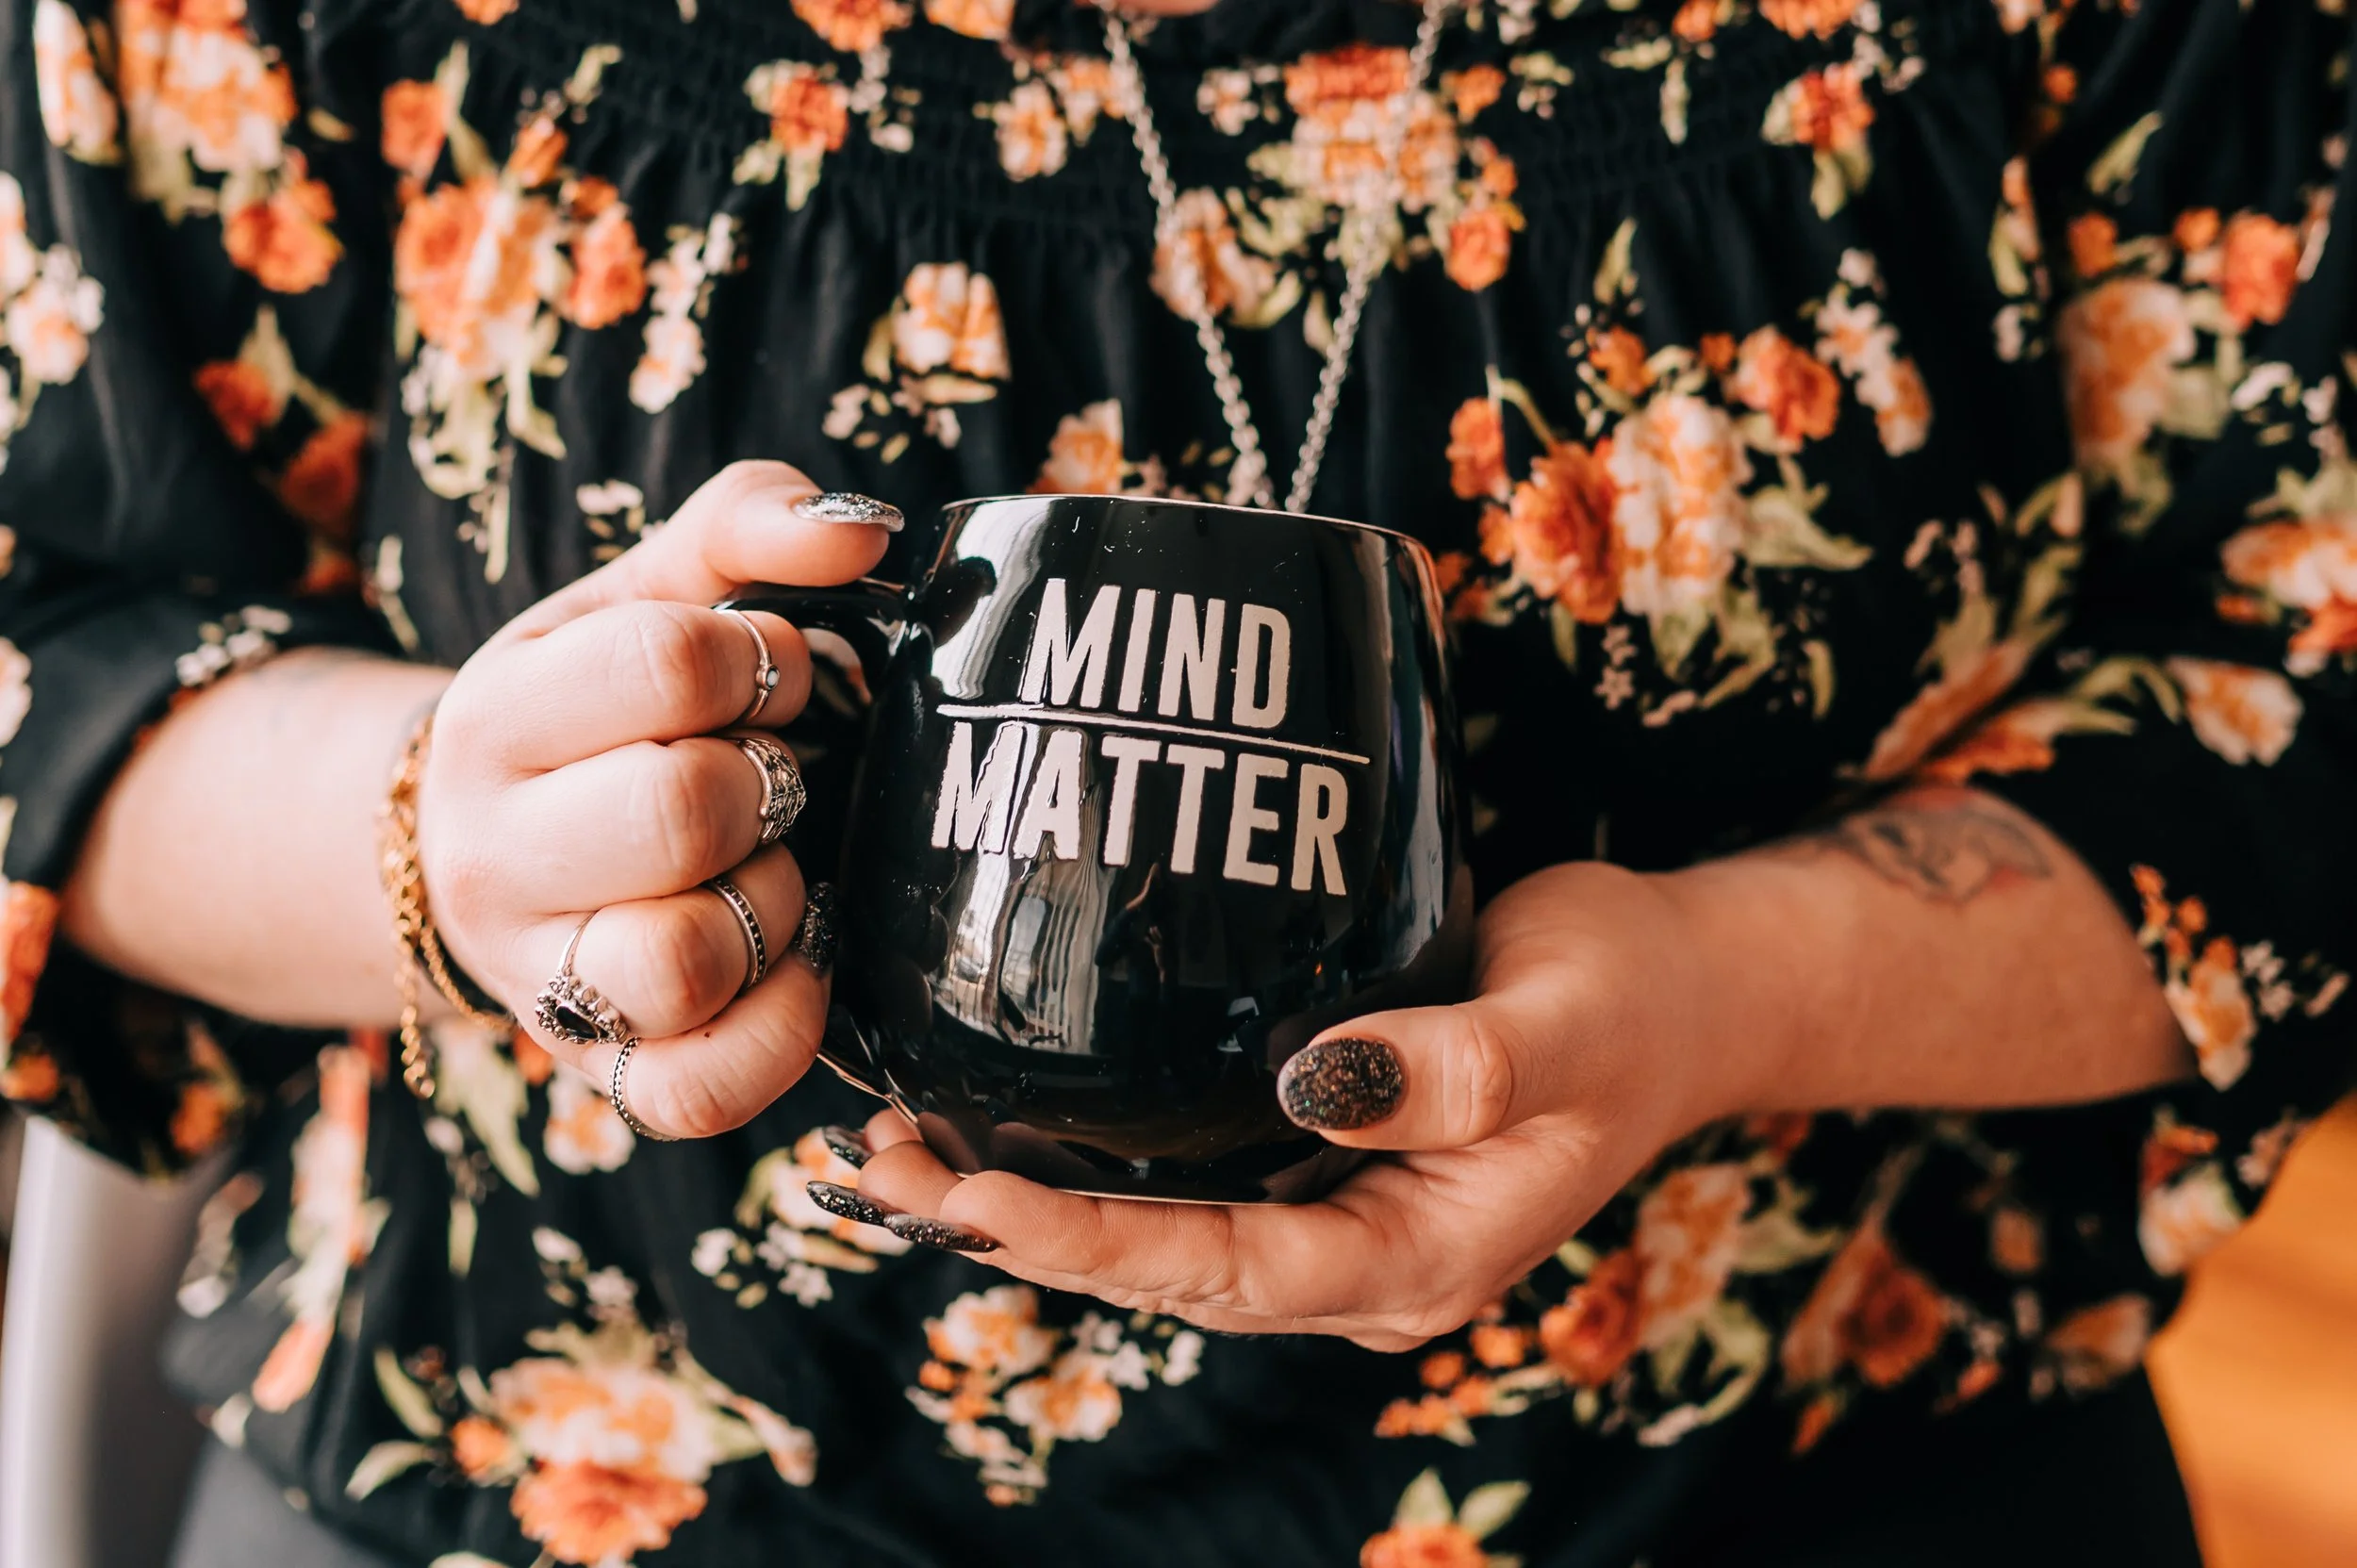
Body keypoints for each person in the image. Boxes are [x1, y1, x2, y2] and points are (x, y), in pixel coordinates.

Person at [0, 0, 2346, 1561]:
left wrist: (1734, 990)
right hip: (559, 1468)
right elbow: (54, 636)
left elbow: (2302, 701)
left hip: (1778, 1481)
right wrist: (449, 831)